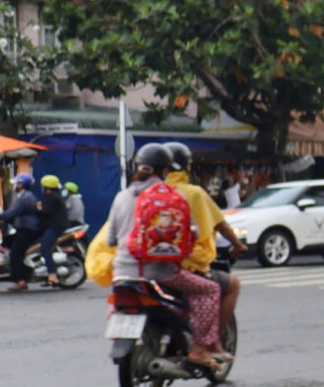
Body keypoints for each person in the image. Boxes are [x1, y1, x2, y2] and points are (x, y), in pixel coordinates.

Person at [102, 143, 225, 370]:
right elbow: (193, 233)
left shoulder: (121, 197)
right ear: (166, 171)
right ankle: (199, 349)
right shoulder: (172, 196)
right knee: (210, 289)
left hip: (122, 274)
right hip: (162, 274)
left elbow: (111, 240)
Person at [163, 142, 245, 350]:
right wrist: (238, 244)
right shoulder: (194, 193)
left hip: (142, 266)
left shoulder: (148, 192)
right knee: (230, 285)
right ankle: (209, 342)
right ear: (187, 167)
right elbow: (220, 223)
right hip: (186, 265)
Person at [0, 173, 42, 291]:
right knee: (5, 241)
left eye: (17, 183)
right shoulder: (22, 196)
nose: (15, 185)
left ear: (22, 185)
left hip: (29, 230)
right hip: (23, 228)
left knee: (15, 253)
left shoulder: (26, 197)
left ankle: (21, 280)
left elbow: (14, 212)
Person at [34, 174, 69, 287]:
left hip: (55, 226)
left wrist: (38, 208)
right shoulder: (55, 196)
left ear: (46, 187)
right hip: (54, 225)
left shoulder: (51, 197)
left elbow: (46, 212)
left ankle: (52, 275)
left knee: (45, 247)